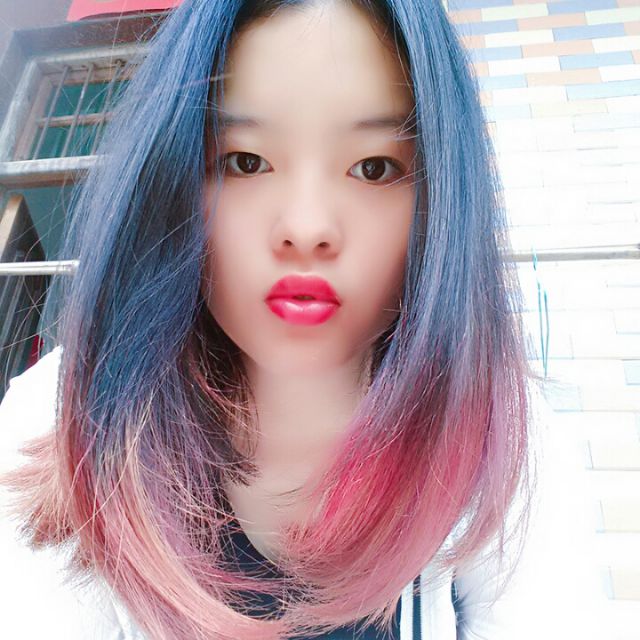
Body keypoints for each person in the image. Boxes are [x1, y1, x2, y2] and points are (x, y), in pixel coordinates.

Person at [0, 0, 608, 638]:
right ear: (168, 182)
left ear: (442, 201)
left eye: (374, 168)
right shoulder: (61, 417)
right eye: (245, 161)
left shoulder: (506, 437)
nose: (307, 226)